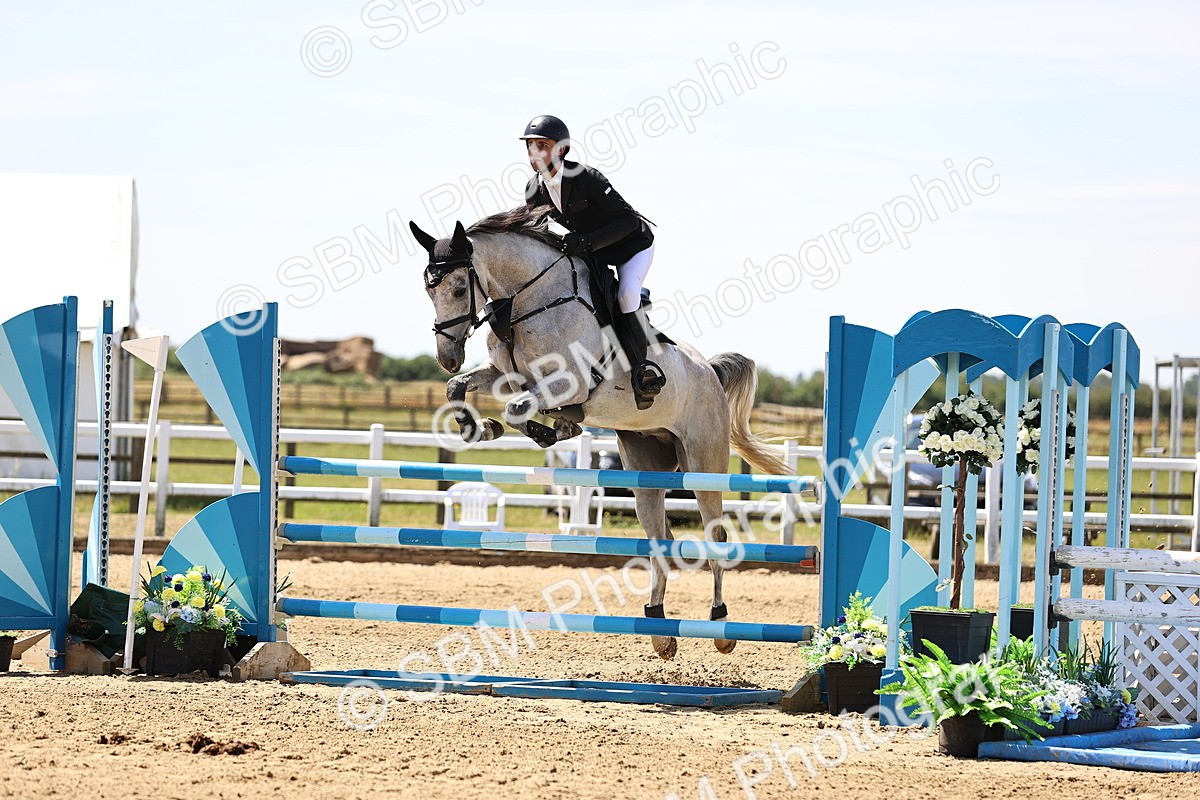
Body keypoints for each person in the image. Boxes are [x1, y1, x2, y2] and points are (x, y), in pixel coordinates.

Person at [519, 114, 666, 409]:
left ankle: (643, 369)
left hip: (631, 247)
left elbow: (626, 220)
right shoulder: (534, 189)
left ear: (561, 149)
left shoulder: (586, 178)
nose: (534, 151)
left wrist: (586, 242)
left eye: (542, 145)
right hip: (593, 255)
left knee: (626, 295)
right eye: (531, 145)